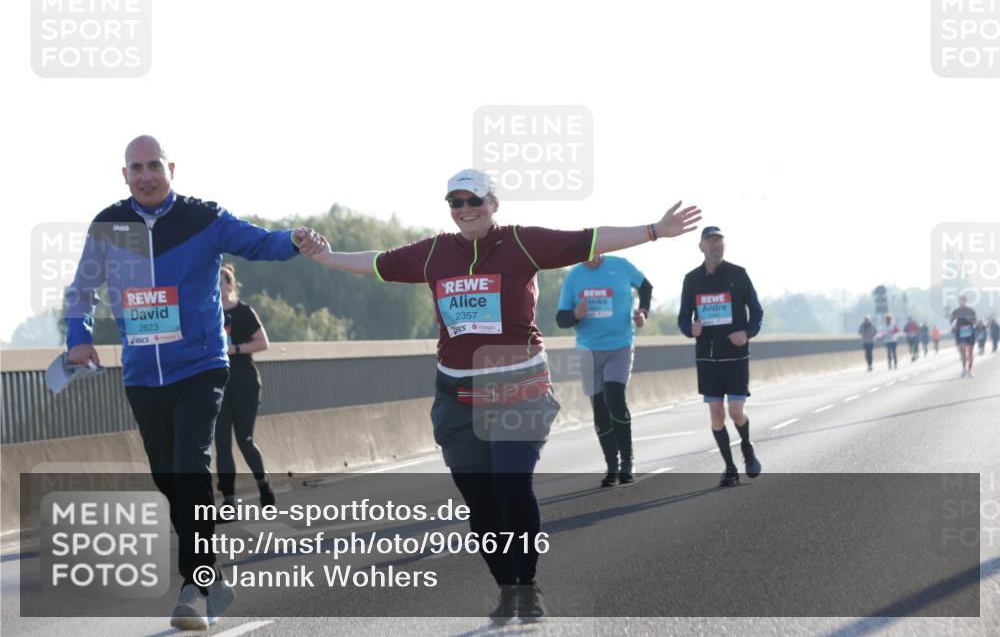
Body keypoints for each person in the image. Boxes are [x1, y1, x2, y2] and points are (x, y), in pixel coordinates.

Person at [300, 168, 700, 623]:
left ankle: (527, 585)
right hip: (456, 394)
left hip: (518, 386)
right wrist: (326, 257)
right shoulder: (434, 253)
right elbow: (376, 263)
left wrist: (654, 231)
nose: (465, 209)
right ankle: (507, 587)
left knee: (511, 485)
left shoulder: (521, 243)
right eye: (456, 201)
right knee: (481, 505)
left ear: (494, 203)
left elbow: (588, 240)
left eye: (475, 200)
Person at [64, 136, 326, 630]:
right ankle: (211, 575)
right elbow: (82, 290)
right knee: (169, 478)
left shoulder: (203, 218)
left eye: (154, 166)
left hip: (201, 365)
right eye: (136, 168)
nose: (146, 175)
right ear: (125, 175)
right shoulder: (107, 225)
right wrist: (77, 337)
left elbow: (257, 241)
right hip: (143, 375)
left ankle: (195, 586)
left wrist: (295, 239)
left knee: (189, 465)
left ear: (171, 169)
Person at [555, 254, 653, 487]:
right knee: (599, 407)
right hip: (588, 349)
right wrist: (575, 315)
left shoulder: (621, 266)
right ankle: (612, 466)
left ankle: (627, 462)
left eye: (593, 251)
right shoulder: (574, 276)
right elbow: (561, 318)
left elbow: (646, 287)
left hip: (619, 345)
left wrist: (643, 312)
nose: (589, 258)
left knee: (614, 397)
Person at [678, 226, 763, 488]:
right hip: (707, 359)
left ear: (724, 246)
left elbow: (757, 312)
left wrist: (747, 333)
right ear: (701, 246)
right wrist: (689, 329)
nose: (715, 246)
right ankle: (729, 468)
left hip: (736, 358)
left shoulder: (738, 274)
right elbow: (683, 318)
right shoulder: (691, 279)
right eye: (710, 241)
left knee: (736, 412)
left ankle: (747, 447)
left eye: (719, 241)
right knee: (717, 414)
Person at [215, 264, 275, 513]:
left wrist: (235, 349)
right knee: (221, 444)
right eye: (214, 282)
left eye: (223, 282)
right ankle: (229, 501)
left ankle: (263, 483)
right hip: (217, 385)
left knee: (245, 440)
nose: (219, 287)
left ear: (231, 285)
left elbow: (263, 343)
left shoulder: (243, 312)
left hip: (245, 384)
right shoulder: (207, 313)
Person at [949, 296, 977, 377]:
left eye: (963, 301)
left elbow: (975, 322)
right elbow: (951, 320)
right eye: (960, 301)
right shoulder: (956, 311)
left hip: (970, 332)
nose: (961, 302)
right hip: (961, 333)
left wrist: (970, 320)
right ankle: (964, 369)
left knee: (970, 352)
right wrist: (953, 325)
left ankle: (970, 369)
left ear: (965, 301)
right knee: (963, 351)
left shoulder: (971, 311)